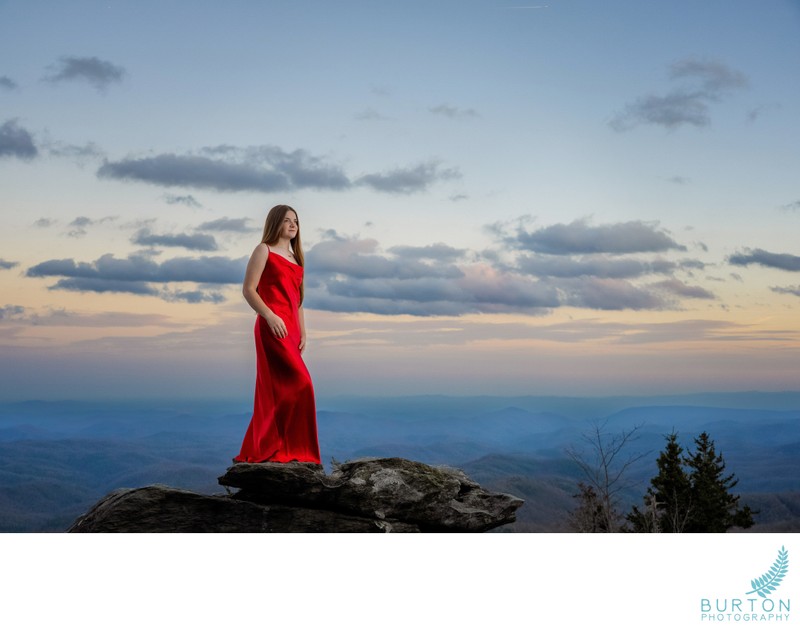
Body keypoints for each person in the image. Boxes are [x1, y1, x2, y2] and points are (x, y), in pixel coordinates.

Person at [233, 204, 321, 464]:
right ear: (275, 223)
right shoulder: (264, 250)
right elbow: (249, 290)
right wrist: (269, 316)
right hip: (272, 327)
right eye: (286, 220)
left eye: (295, 221)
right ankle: (277, 448)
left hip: (292, 330)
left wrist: (304, 332)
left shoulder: (297, 259)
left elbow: (298, 301)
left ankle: (292, 450)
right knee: (301, 385)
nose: (293, 225)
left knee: (287, 389)